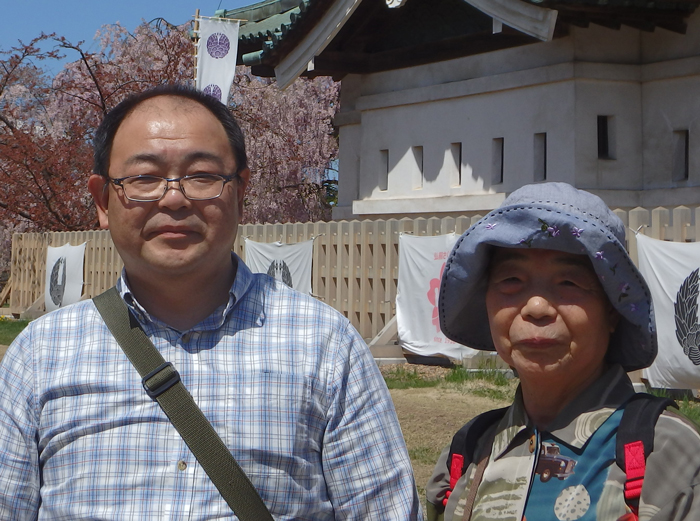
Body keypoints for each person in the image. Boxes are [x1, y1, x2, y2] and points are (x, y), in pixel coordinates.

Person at [0, 85, 422, 520]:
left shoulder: (325, 345)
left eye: (202, 176)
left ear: (240, 191)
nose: (175, 198)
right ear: (103, 200)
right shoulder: (40, 354)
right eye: (144, 178)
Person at [426, 182, 700, 521]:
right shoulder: (467, 452)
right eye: (511, 280)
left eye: (568, 283)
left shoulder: (666, 453)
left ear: (612, 310)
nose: (537, 306)